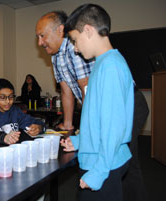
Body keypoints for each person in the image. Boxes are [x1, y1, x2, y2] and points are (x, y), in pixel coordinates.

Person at [60, 4, 134, 201]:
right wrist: (79, 140)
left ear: (88, 30)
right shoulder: (102, 64)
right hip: (98, 158)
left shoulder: (110, 66)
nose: (75, 48)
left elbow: (113, 127)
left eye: (75, 40)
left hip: (103, 164)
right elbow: (97, 119)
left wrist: (99, 171)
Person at [36, 10, 94, 131]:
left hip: (123, 105)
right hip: (96, 109)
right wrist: (67, 125)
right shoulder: (55, 56)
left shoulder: (75, 45)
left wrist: (87, 129)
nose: (40, 43)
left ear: (60, 30)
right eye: (38, 37)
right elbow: (65, 91)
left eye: (42, 36)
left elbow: (87, 88)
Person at [0, 78, 45, 145]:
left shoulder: (15, 111)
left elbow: (34, 122)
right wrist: (3, 137)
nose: (8, 101)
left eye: (11, 97)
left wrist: (39, 128)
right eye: (2, 97)